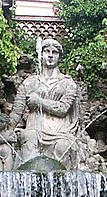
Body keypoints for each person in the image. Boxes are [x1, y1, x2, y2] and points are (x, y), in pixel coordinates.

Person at [10, 38, 86, 168]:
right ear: (41, 54)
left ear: (59, 57)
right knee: (28, 140)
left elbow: (63, 109)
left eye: (54, 52)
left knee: (63, 146)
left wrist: (39, 101)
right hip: (34, 129)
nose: (50, 55)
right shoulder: (29, 82)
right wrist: (7, 129)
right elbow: (17, 112)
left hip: (60, 132)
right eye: (46, 51)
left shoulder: (68, 83)